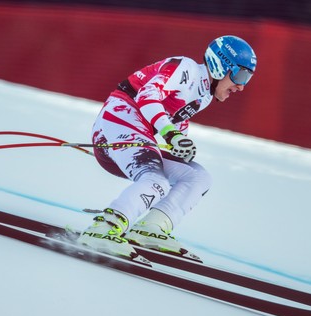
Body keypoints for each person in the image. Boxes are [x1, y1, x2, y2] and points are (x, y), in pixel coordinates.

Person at [77, 35, 257, 260]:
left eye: (247, 79)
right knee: (156, 180)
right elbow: (147, 97)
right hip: (119, 120)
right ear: (221, 65)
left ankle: (151, 228)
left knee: (198, 177)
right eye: (241, 75)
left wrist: (178, 142)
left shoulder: (204, 96)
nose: (241, 86)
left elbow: (175, 123)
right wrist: (171, 135)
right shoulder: (186, 69)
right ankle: (102, 229)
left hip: (137, 134)